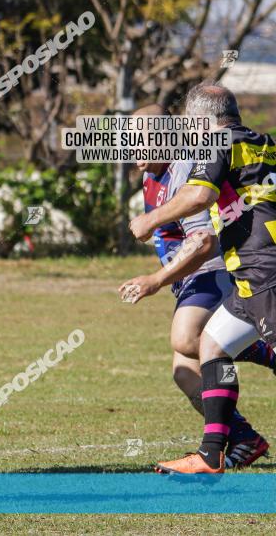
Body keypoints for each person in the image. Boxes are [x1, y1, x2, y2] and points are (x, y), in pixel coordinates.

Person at [129, 83, 276, 473]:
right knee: (212, 345)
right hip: (247, 275)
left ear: (198, 122)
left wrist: (150, 221)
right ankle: (212, 453)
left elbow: (198, 198)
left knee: (196, 342)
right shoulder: (264, 143)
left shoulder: (214, 143)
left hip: (265, 271)